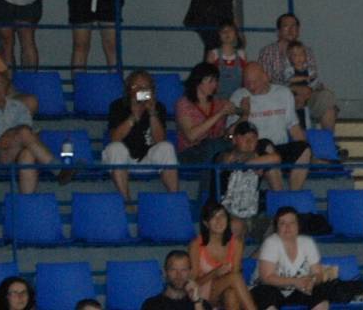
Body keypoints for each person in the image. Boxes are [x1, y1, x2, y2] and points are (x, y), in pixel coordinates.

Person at [0, 70, 71, 192]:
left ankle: (25, 205)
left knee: (27, 154)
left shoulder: (19, 107)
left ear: (6, 88)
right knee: (23, 134)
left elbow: (27, 130)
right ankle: (59, 169)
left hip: (15, 150)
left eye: (0, 84)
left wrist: (9, 134)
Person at [230, 62, 311, 190]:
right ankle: (278, 196)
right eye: (247, 82)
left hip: (280, 146)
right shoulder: (238, 96)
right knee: (267, 146)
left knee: (305, 149)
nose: (251, 86)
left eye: (255, 81)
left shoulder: (284, 93)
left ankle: (294, 193)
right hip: (256, 149)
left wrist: (308, 149)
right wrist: (244, 114)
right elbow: (231, 134)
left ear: (266, 77)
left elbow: (294, 127)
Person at [102, 70, 179, 200]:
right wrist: (133, 117)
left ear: (151, 91)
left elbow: (160, 140)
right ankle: (126, 202)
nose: (139, 91)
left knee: (167, 147)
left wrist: (152, 114)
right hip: (124, 158)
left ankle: (175, 199)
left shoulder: (159, 107)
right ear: (128, 89)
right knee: (115, 148)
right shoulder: (118, 106)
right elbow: (114, 138)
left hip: (148, 156)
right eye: (136, 87)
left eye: (144, 88)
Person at [258, 14, 338, 132]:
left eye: (294, 26)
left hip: (307, 96)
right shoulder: (267, 52)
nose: (291, 29)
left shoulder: (307, 52)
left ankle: (327, 143)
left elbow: (312, 77)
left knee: (327, 99)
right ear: (278, 31)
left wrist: (308, 90)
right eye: (286, 26)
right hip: (279, 98)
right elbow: (265, 83)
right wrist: (292, 89)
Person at [252, 206, 332, 310]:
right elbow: (266, 278)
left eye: (292, 223)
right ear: (277, 227)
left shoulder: (308, 242)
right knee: (266, 295)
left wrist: (311, 282)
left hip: (298, 289)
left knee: (320, 292)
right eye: (282, 223)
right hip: (272, 288)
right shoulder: (271, 243)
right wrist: (295, 282)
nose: (287, 227)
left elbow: (318, 274)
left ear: (298, 226)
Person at [216, 121, 280, 240]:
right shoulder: (224, 154)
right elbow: (227, 160)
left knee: (281, 228)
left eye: (253, 138)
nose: (249, 141)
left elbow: (276, 158)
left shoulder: (259, 156)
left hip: (252, 213)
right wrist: (251, 162)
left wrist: (251, 163)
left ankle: (256, 259)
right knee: (236, 225)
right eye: (244, 137)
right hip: (227, 213)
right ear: (234, 140)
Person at [189, 199, 256, 310]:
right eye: (213, 217)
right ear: (206, 223)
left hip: (225, 290)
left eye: (222, 216)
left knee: (231, 295)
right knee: (234, 278)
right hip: (202, 292)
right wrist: (214, 273)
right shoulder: (196, 245)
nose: (219, 221)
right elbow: (193, 283)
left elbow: (235, 276)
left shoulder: (236, 243)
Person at [175, 62, 237, 166]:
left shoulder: (219, 103)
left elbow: (222, 133)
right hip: (191, 152)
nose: (215, 85)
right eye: (210, 81)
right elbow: (191, 136)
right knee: (213, 145)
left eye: (216, 81)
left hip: (216, 149)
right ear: (198, 82)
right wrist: (220, 114)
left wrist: (242, 117)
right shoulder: (183, 104)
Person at [142, 250, 213, 310]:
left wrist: (197, 302)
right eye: (173, 270)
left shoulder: (202, 305)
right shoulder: (151, 305)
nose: (179, 275)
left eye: (184, 270)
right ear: (165, 273)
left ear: (190, 273)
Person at [206, 21, 247, 101]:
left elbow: (245, 79)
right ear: (219, 35)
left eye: (230, 30)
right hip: (217, 100)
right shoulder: (213, 54)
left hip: (237, 99)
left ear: (236, 34)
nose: (227, 33)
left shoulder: (242, 54)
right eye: (223, 31)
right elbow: (207, 80)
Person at [285, 40, 322, 128]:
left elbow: (314, 82)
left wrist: (314, 83)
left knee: (306, 116)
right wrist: (304, 78)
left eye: (301, 54)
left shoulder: (309, 71)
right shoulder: (289, 70)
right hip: (294, 97)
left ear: (305, 56)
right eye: (295, 55)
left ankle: (307, 128)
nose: (299, 58)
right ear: (290, 58)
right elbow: (290, 80)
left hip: (306, 98)